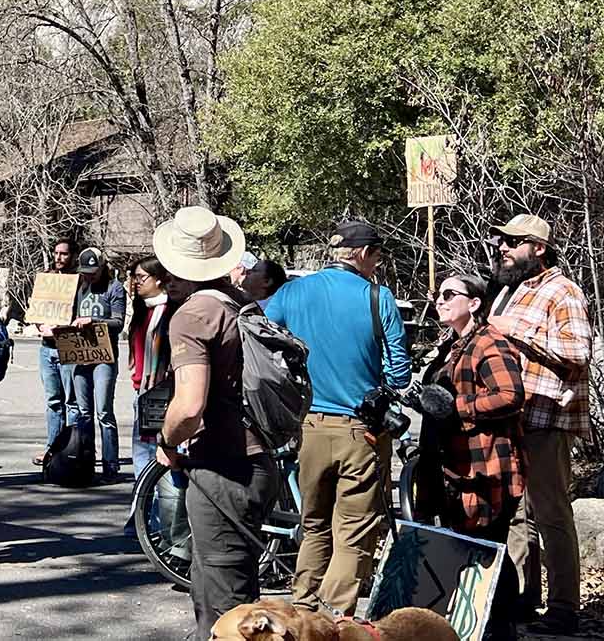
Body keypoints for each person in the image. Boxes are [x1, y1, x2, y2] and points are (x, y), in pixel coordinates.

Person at [260, 217, 410, 617]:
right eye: (376, 255)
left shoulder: (291, 293)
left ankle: (304, 605)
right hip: (361, 431)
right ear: (362, 254)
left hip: (307, 427)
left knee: (314, 524)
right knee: (355, 531)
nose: (377, 264)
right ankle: (330, 617)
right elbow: (399, 373)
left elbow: (262, 343)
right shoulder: (379, 298)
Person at [154, 205, 275, 641]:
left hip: (224, 465)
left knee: (232, 609)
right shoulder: (239, 304)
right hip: (258, 458)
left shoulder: (193, 315)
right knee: (215, 589)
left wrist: (167, 441)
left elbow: (189, 406)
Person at [489, 214, 589, 635]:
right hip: (514, 418)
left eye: (513, 242)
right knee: (518, 517)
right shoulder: (509, 292)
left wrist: (511, 331)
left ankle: (565, 608)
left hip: (548, 419)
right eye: (502, 241)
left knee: (551, 513)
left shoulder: (562, 291)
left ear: (539, 247)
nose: (503, 247)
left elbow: (578, 350)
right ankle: (525, 599)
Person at [412, 271, 526, 641]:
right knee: (470, 546)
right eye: (437, 294)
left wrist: (459, 407)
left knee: (487, 549)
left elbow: (511, 395)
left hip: (486, 467)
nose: (440, 301)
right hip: (455, 466)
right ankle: (483, 626)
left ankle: (500, 628)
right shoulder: (454, 344)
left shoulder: (489, 344)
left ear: (474, 304)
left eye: (449, 294)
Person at [69, 247, 128, 481]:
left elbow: (118, 322)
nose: (89, 276)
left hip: (104, 356)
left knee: (104, 412)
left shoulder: (115, 288)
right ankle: (85, 464)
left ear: (103, 267)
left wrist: (92, 321)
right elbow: (67, 314)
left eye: (93, 271)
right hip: (80, 356)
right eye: (85, 272)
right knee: (83, 413)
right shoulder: (78, 288)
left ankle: (111, 466)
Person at [34, 236, 80, 462]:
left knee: (71, 402)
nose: (59, 257)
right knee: (53, 401)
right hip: (47, 347)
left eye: (64, 253)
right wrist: (40, 325)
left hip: (68, 346)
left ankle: (72, 449)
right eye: (56, 253)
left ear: (72, 256)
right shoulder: (47, 279)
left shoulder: (80, 282)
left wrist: (62, 327)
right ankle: (52, 449)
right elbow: (36, 308)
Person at [129, 256, 173, 472]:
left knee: (156, 450)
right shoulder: (141, 309)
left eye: (141, 277)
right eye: (134, 277)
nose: (136, 282)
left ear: (157, 280)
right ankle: (143, 500)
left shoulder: (169, 311)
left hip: (161, 390)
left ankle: (157, 503)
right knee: (141, 450)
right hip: (141, 389)